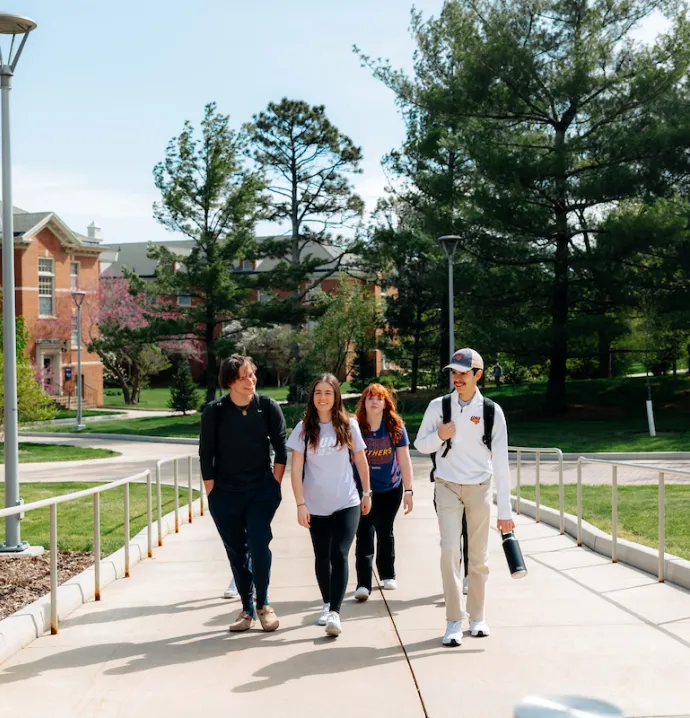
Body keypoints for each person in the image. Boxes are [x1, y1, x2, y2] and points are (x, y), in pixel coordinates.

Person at [415, 348, 514, 647]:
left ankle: (478, 617)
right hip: (446, 485)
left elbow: (501, 463)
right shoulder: (438, 406)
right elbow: (421, 444)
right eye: (453, 373)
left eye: (463, 373)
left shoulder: (491, 412)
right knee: (449, 553)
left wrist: (505, 512)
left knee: (479, 557)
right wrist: (440, 436)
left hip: (480, 488)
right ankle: (453, 621)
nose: (457, 378)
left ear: (478, 375)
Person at [199, 354, 287, 633]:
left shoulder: (267, 407)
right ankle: (247, 608)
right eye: (244, 377)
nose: (251, 381)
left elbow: (282, 448)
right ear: (230, 383)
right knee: (237, 553)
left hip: (261, 491)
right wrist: (212, 493)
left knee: (260, 546)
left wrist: (275, 483)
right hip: (225, 494)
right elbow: (206, 454)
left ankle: (264, 605)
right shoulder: (215, 411)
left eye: (252, 375)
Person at [288, 374, 371, 637]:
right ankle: (327, 603)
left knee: (339, 553)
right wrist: (300, 503)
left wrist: (367, 492)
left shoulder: (349, 425)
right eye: (318, 393)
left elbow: (360, 460)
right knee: (322, 557)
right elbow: (296, 468)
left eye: (328, 392)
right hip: (316, 506)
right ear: (312, 397)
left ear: (336, 397)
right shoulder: (303, 429)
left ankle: (335, 612)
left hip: (347, 502)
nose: (323, 397)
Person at [353, 383, 414, 601]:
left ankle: (388, 574)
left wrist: (409, 490)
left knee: (385, 532)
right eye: (369, 397)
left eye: (379, 398)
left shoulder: (395, 426)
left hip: (391, 488)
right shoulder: (356, 427)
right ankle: (363, 583)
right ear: (364, 402)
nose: (374, 401)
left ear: (385, 402)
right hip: (363, 490)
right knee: (364, 533)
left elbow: (405, 460)